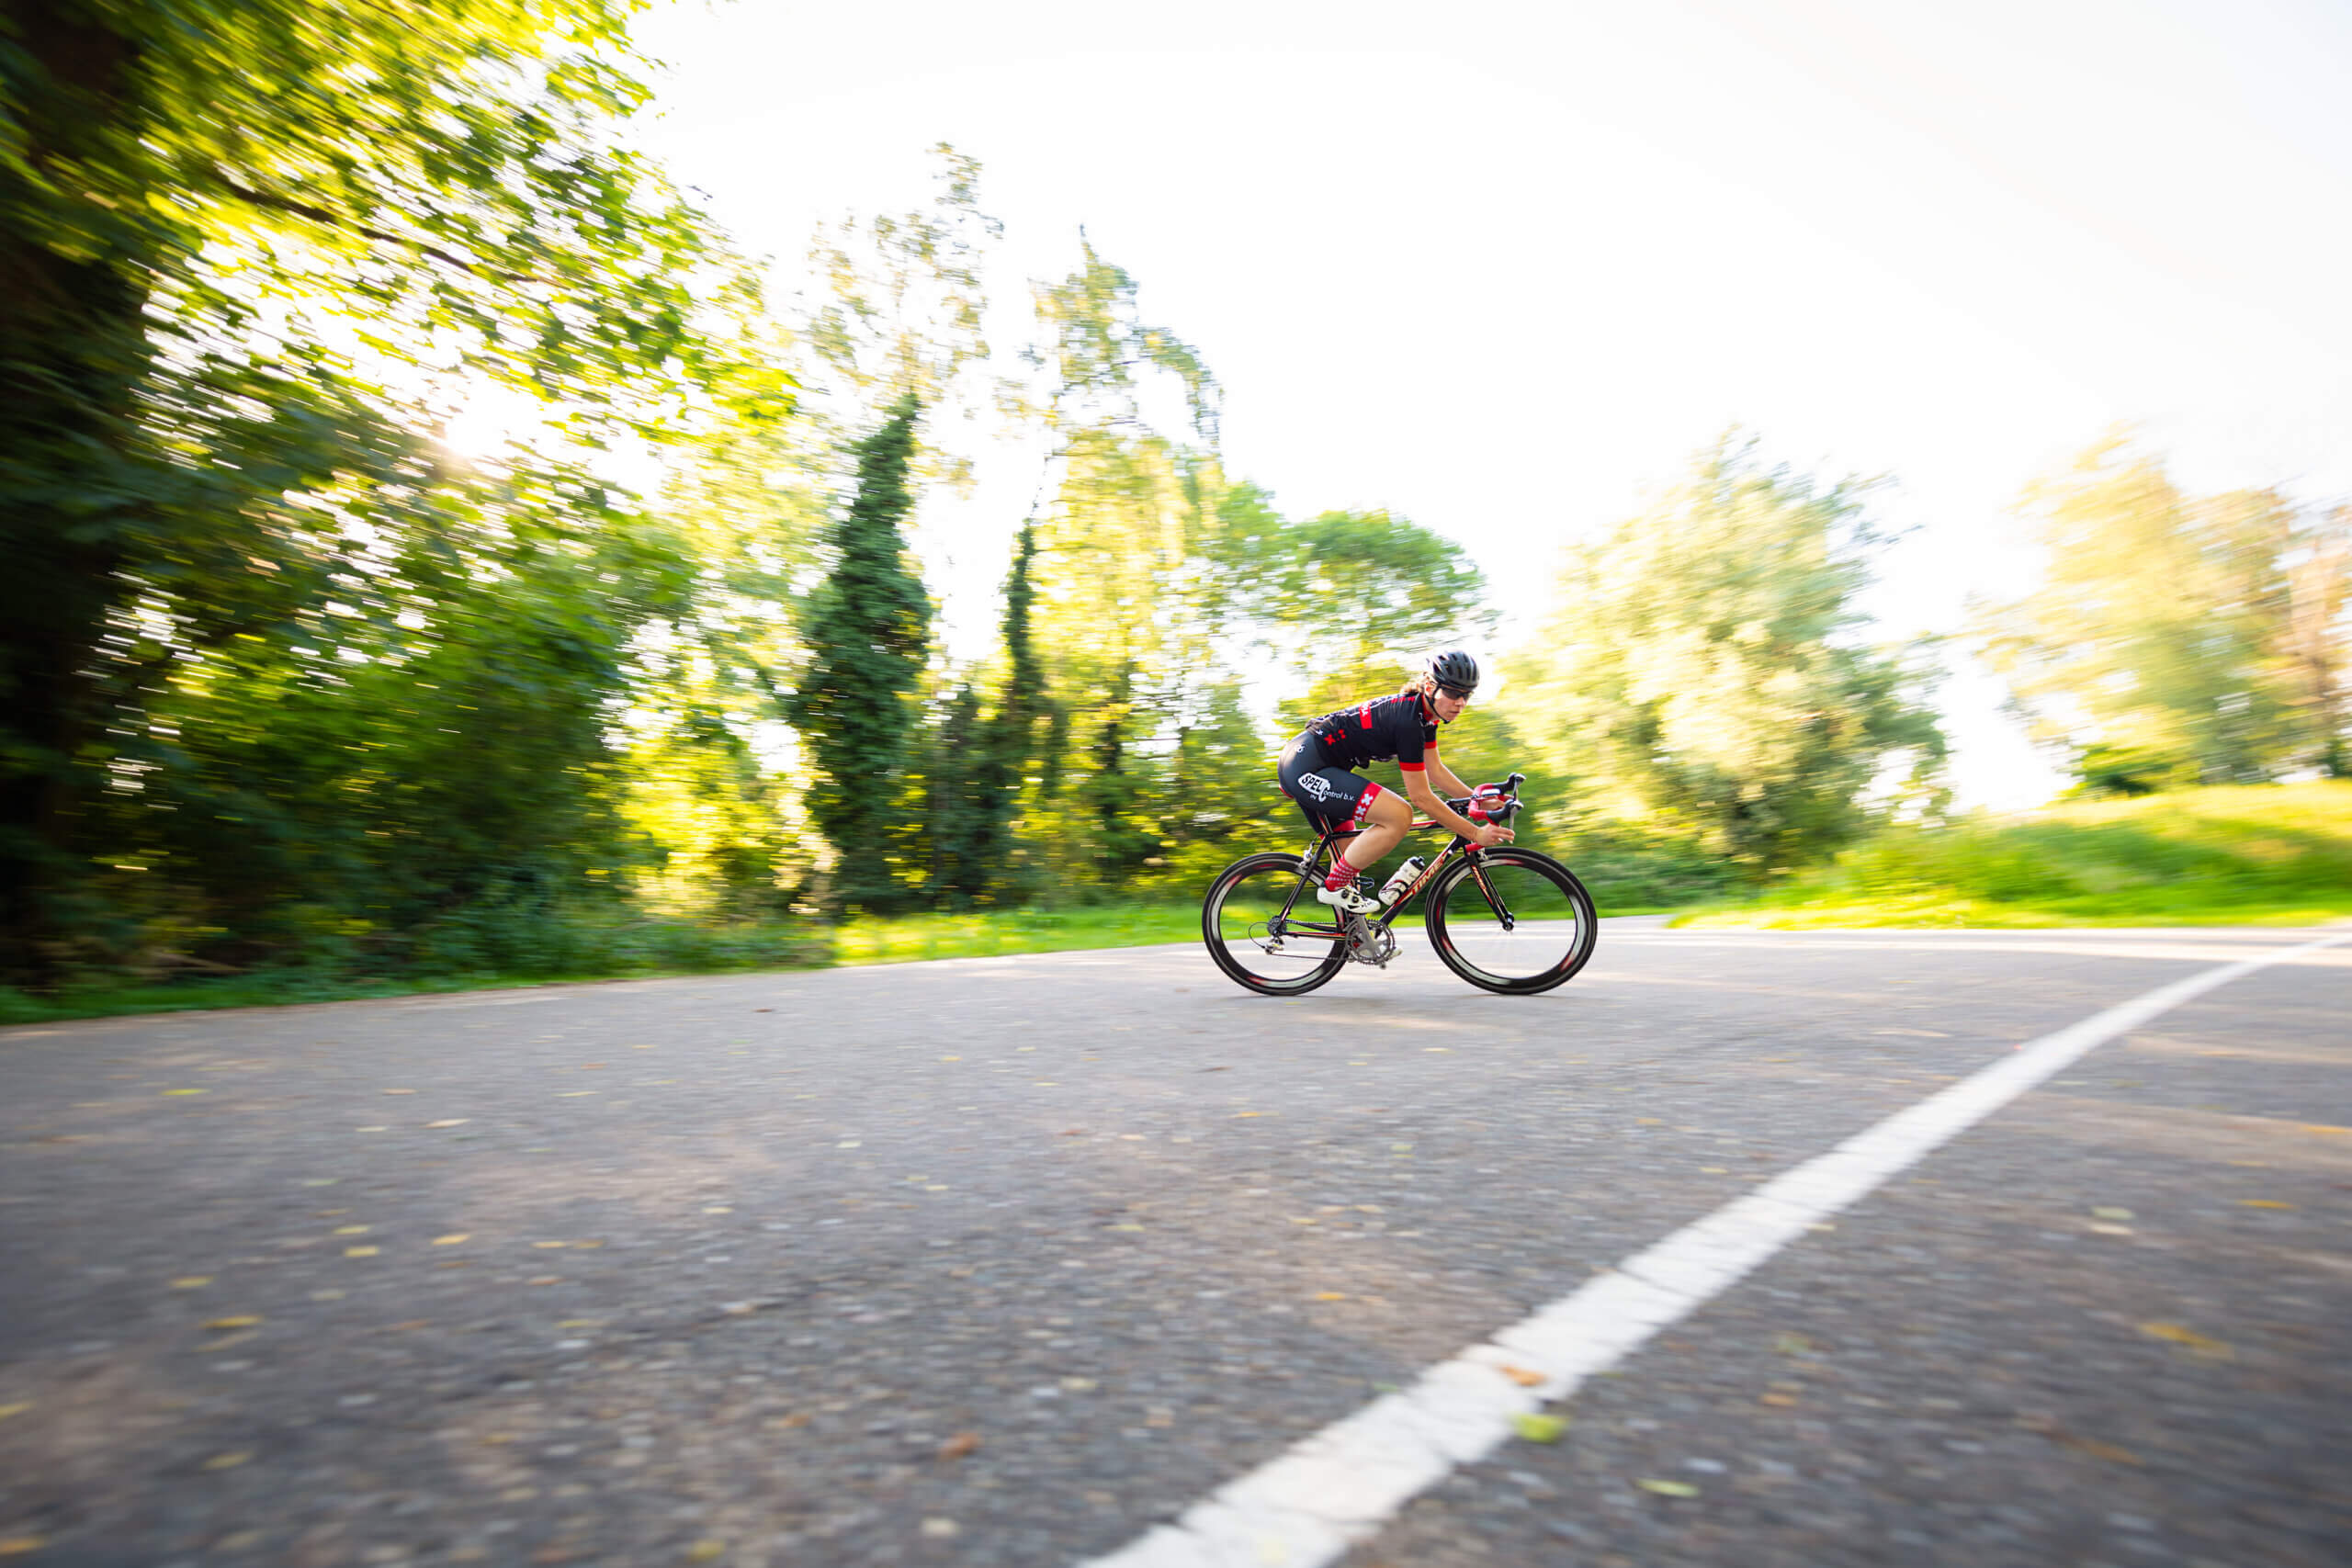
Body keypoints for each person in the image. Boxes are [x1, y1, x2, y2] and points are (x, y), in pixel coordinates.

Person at [1277, 650, 1513, 914]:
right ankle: (1331, 887)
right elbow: (1421, 796)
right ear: (1429, 686)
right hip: (1306, 765)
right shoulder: (1408, 722)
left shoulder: (1425, 719)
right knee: (1400, 815)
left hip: (1321, 766)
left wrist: (1480, 801)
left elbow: (1435, 771)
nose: (1460, 702)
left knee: (1352, 861)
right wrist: (1474, 833)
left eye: (1466, 695)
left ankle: (1353, 940)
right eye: (1453, 693)